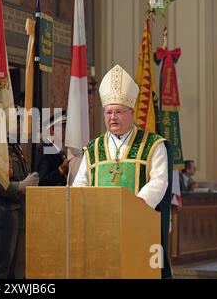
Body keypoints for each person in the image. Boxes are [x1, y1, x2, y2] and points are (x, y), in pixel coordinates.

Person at [73, 64, 174, 279]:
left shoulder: (153, 145)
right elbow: (81, 184)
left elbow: (159, 182)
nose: (113, 117)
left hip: (138, 227)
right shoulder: (92, 149)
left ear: (132, 112)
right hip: (98, 229)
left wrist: (131, 210)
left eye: (118, 112)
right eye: (108, 112)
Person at [0, 115, 40, 279]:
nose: (19, 123)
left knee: (16, 273)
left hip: (17, 215)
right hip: (1, 217)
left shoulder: (14, 146)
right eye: (15, 119)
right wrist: (20, 186)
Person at [36, 111, 69, 186]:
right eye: (62, 128)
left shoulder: (60, 151)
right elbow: (42, 182)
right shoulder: (44, 149)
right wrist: (61, 169)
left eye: (66, 128)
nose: (65, 131)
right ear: (52, 130)